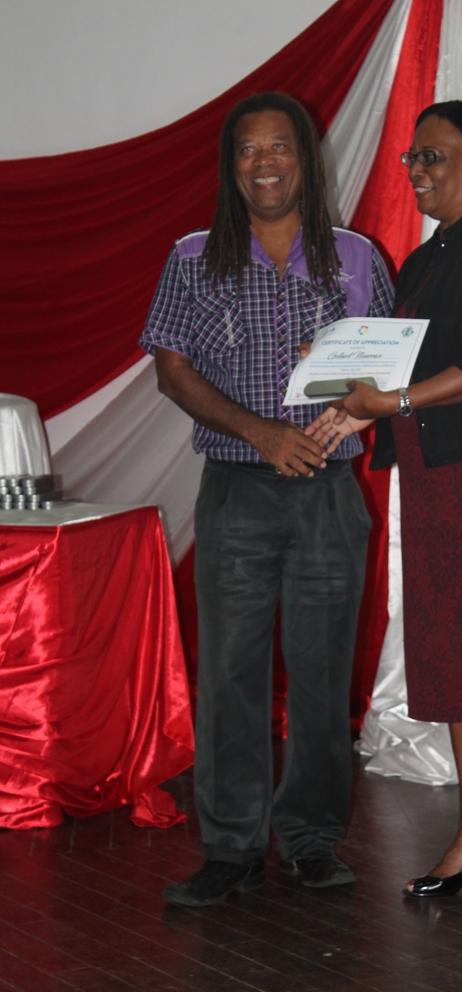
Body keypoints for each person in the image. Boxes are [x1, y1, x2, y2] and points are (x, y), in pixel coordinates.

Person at [307, 99, 462, 917]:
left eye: (434, 157)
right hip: (435, 466)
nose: (416, 171)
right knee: (451, 644)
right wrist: (347, 401)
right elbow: (398, 371)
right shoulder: (425, 259)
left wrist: (388, 402)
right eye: (412, 158)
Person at [140, 91, 393, 906]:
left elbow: (385, 366)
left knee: (322, 678)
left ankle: (311, 840)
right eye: (247, 149)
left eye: (278, 146)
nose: (264, 163)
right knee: (231, 675)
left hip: (328, 492)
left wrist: (350, 408)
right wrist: (261, 434)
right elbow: (171, 369)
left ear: (305, 158)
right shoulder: (192, 257)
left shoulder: (355, 257)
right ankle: (230, 849)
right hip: (235, 492)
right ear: (231, 165)